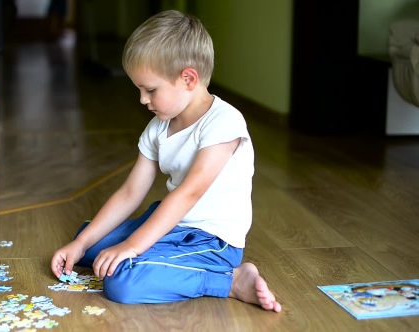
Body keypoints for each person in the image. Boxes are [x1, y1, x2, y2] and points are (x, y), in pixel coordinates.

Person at [50, 9, 281, 312]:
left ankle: (230, 280)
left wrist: (132, 246)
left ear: (188, 78)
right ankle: (134, 250)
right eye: (140, 90)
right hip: (172, 222)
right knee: (89, 244)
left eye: (150, 90)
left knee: (120, 280)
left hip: (211, 243)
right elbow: (131, 193)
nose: (143, 100)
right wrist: (80, 245)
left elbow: (188, 194)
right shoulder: (159, 126)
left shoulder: (224, 123)